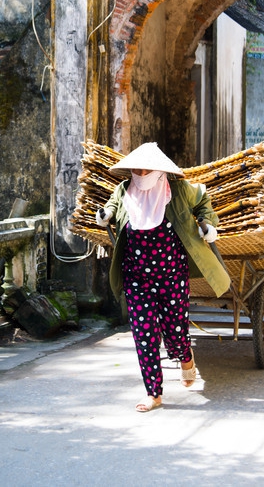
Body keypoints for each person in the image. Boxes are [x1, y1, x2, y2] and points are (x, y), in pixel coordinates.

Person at [96, 142, 230, 413]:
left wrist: (209, 225)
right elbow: (111, 204)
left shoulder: (179, 191)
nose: (141, 173)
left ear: (159, 170)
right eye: (137, 169)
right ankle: (153, 392)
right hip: (136, 277)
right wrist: (106, 213)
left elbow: (203, 201)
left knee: (176, 331)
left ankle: (186, 357)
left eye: (146, 169)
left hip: (172, 274)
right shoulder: (124, 190)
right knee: (143, 333)